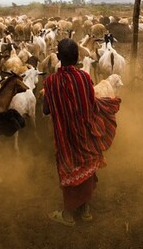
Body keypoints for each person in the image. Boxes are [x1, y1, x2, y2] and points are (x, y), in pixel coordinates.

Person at [42, 38, 121, 227]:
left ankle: (68, 215)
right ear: (78, 57)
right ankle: (85, 209)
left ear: (59, 57)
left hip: (65, 138)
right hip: (85, 134)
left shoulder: (51, 82)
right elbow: (91, 102)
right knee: (87, 169)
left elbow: (46, 110)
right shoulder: (84, 78)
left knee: (70, 171)